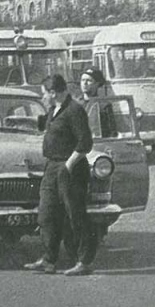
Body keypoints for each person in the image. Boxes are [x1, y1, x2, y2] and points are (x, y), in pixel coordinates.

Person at [24, 74, 97, 276]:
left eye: (44, 94)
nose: (43, 98)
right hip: (52, 166)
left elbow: (85, 143)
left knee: (75, 215)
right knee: (46, 214)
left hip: (70, 168)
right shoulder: (53, 111)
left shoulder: (74, 111)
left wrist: (68, 165)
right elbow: (45, 127)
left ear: (53, 93)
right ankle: (49, 259)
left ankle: (84, 261)